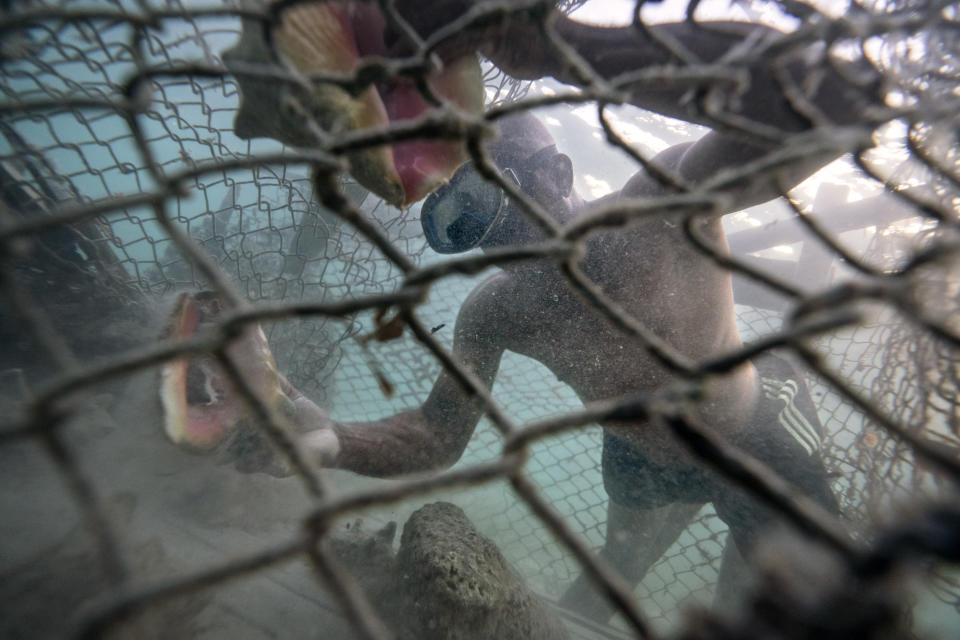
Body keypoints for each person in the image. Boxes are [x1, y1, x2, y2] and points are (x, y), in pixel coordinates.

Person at [228, 4, 876, 622]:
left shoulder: (661, 209)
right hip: (634, 458)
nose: (482, 238)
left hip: (751, 437)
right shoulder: (496, 312)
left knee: (801, 600)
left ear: (556, 174)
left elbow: (831, 103)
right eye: (453, 223)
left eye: (485, 199)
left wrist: (565, 48)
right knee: (611, 574)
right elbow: (435, 435)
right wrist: (336, 441)